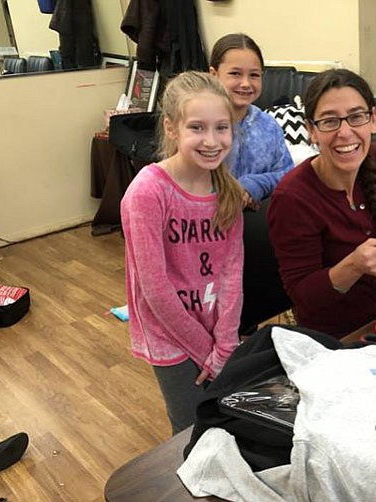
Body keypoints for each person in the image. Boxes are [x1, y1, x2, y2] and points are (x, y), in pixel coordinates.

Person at [121, 71, 245, 435]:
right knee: (190, 430)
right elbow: (155, 287)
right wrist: (205, 348)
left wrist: (225, 341)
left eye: (221, 127)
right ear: (171, 128)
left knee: (225, 420)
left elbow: (231, 271)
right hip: (170, 338)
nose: (211, 140)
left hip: (215, 331)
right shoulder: (147, 192)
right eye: (197, 128)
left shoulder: (228, 191)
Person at [268, 69, 376, 338]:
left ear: (373, 120)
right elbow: (303, 296)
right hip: (337, 341)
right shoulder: (293, 198)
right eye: (329, 121)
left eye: (356, 117)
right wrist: (354, 265)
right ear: (311, 130)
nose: (345, 132)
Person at [209, 33, 294, 210]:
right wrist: (232, 191)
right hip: (206, 224)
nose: (246, 83)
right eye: (235, 74)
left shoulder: (269, 126)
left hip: (259, 224)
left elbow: (288, 175)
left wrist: (255, 184)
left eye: (254, 75)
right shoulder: (200, 126)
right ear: (214, 75)